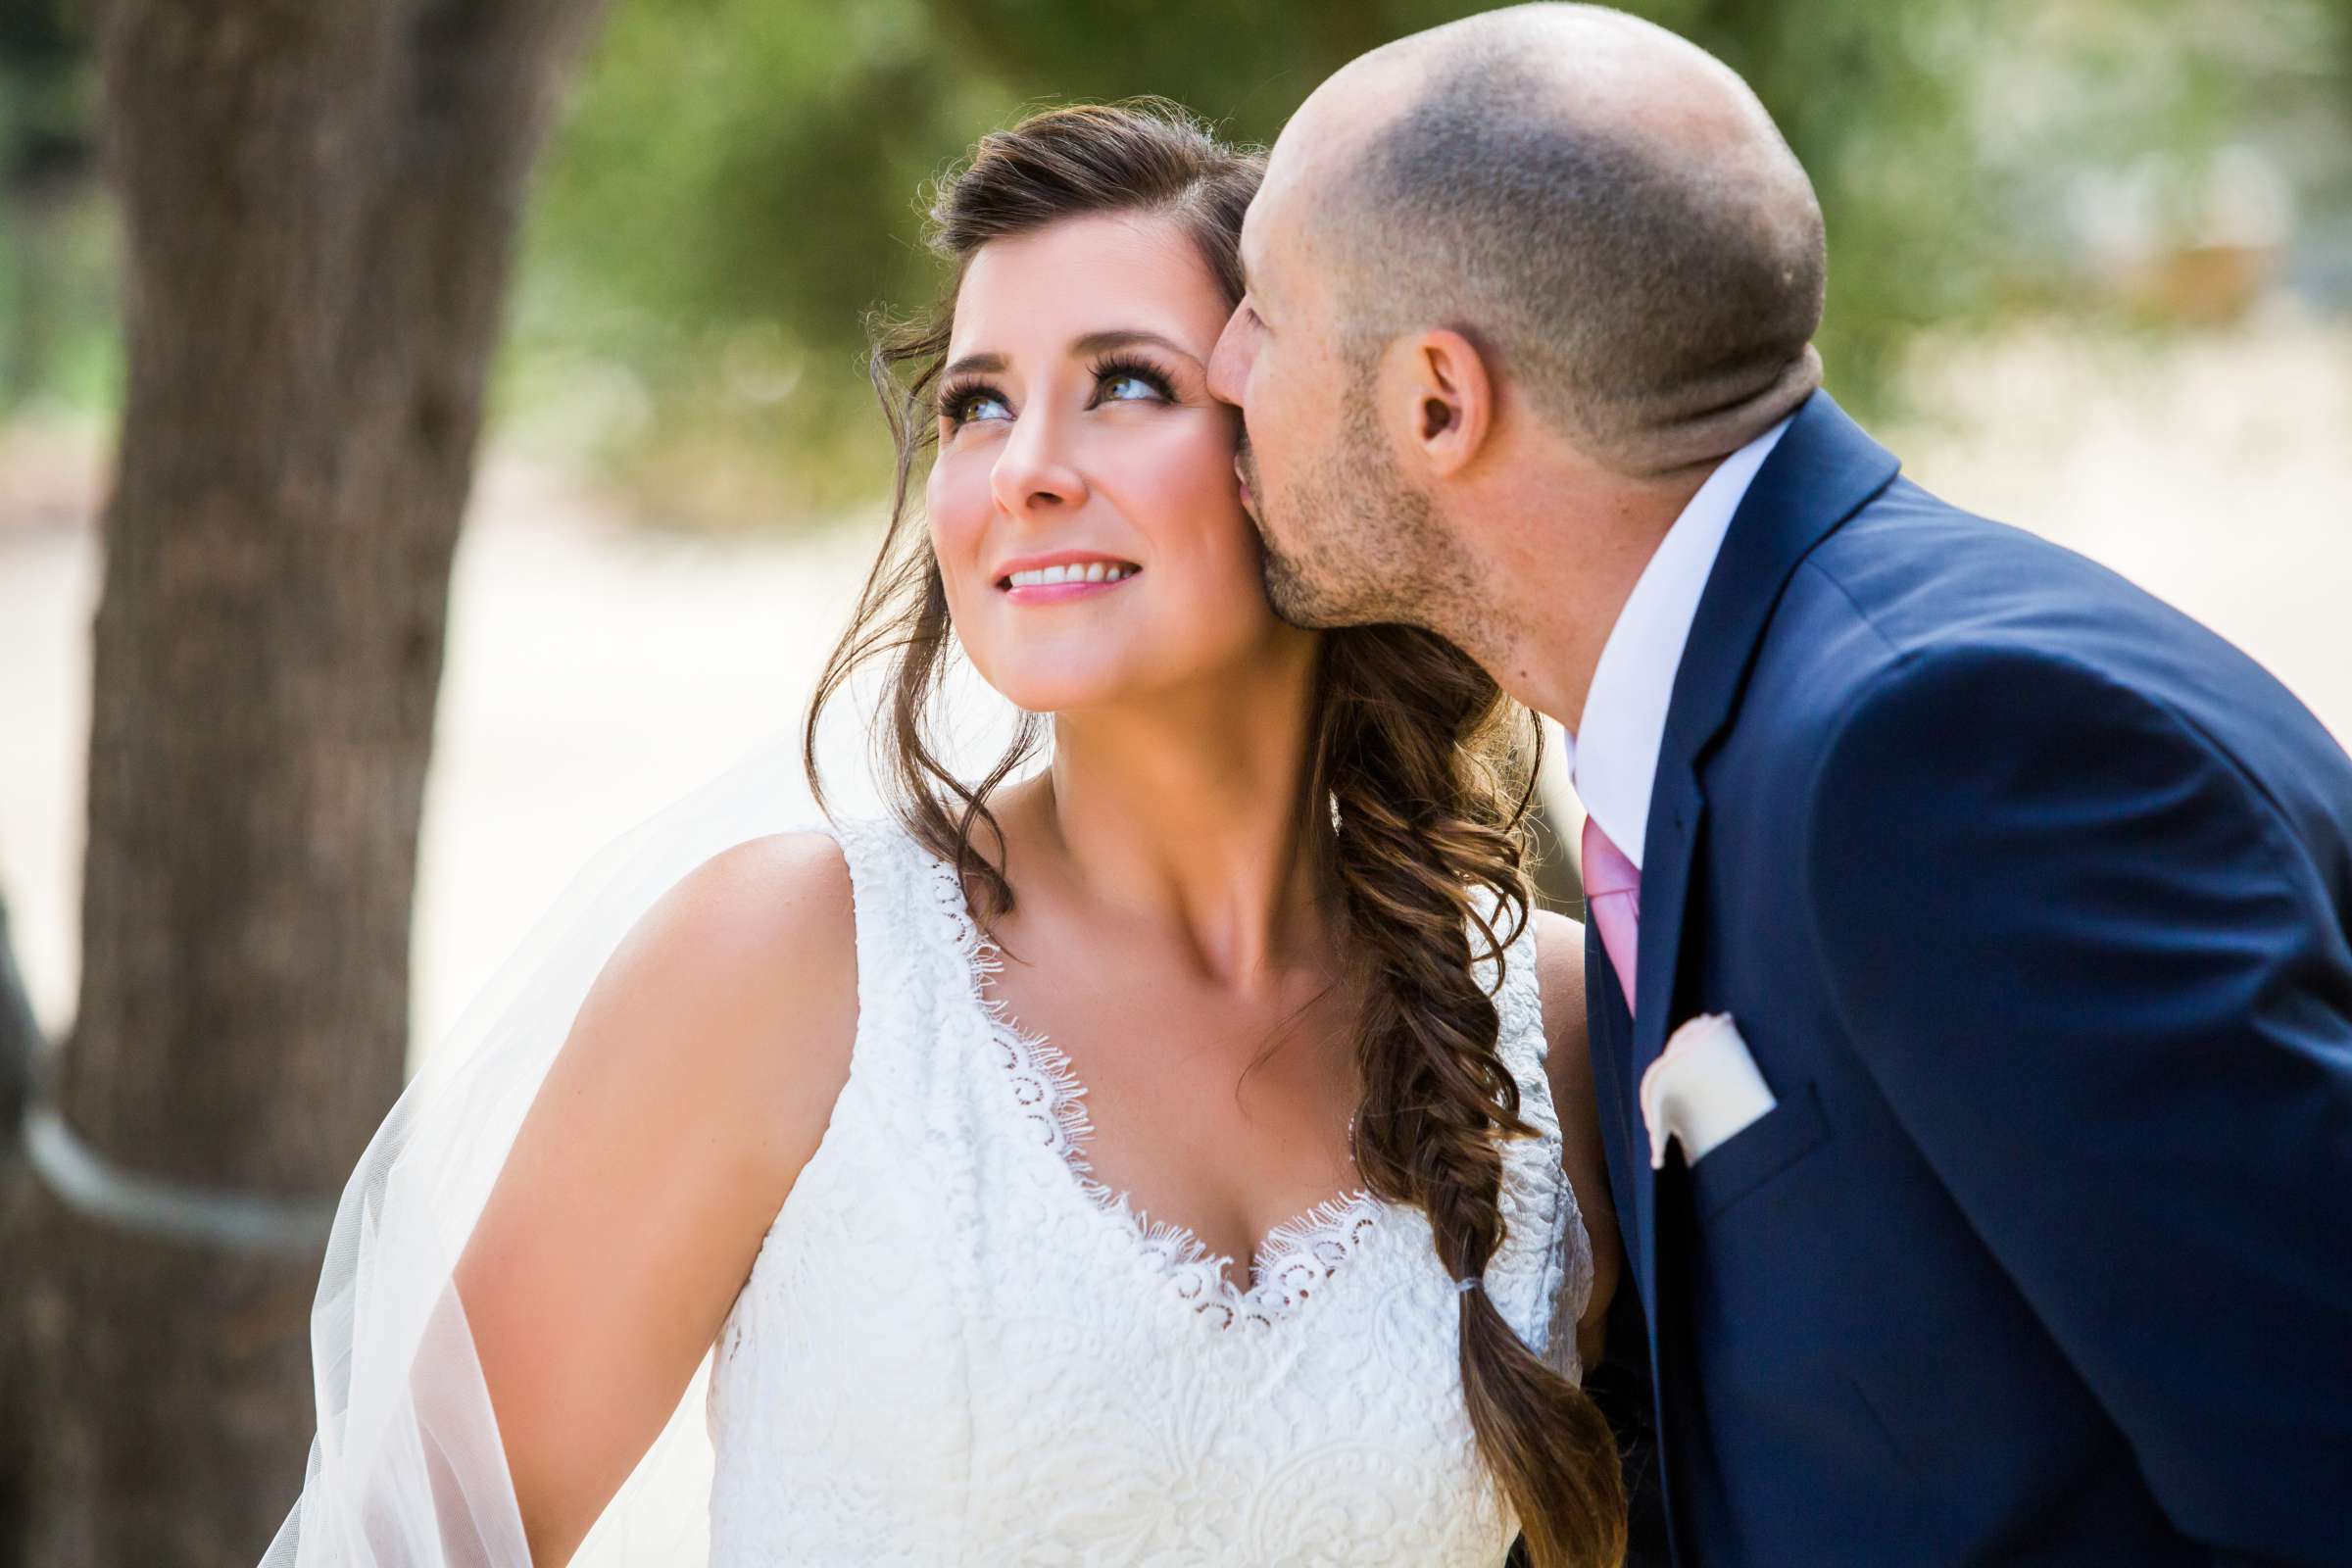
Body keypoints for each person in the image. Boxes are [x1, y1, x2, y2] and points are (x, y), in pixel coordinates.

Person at [262, 101, 1631, 1568]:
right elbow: (409, 1542)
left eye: (1124, 384)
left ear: (1299, 453)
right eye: (977, 403)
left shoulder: (1547, 1030)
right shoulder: (793, 965)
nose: (1021, 469)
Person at [1206, 5, 2352, 1565]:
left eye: (1262, 315)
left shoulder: (1948, 752)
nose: (1219, 367)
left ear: (1436, 403)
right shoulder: (1727, 734)